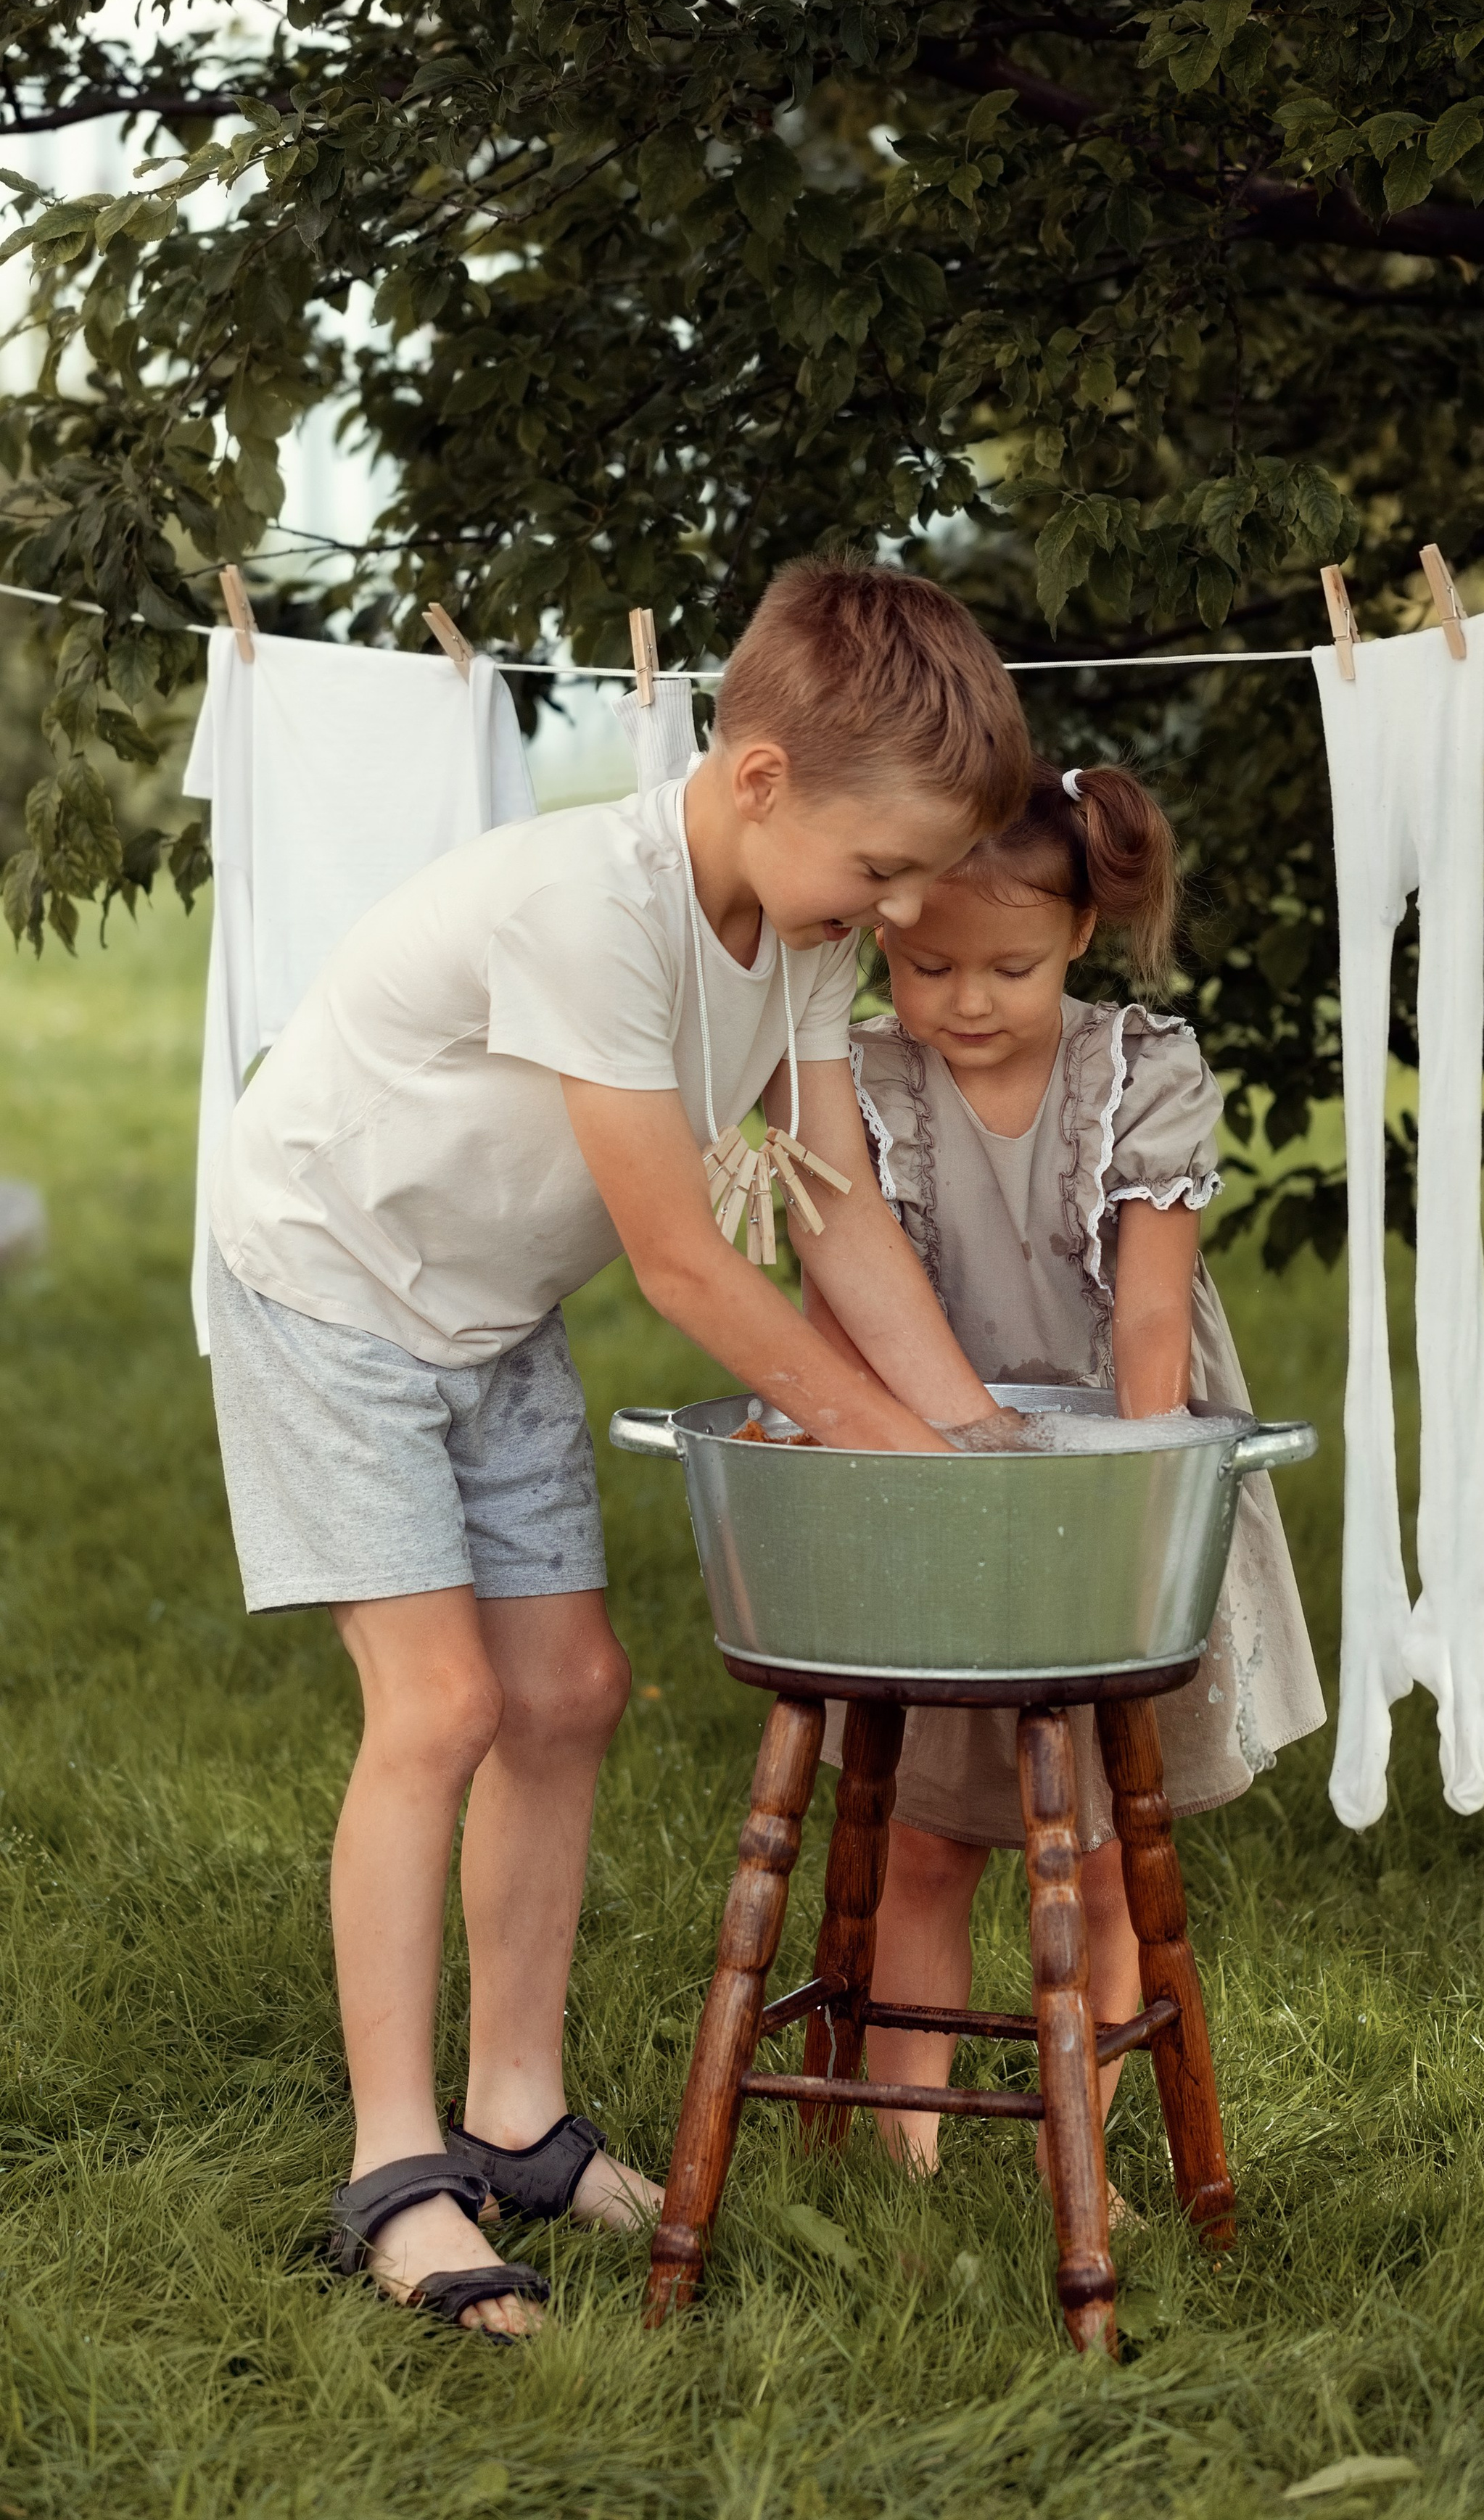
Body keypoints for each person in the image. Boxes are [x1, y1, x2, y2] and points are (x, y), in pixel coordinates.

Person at [203, 560, 1033, 2337]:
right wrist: (883, 1450)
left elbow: (836, 1221)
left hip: (487, 1304)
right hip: (327, 1276)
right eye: (880, 868)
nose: (893, 913)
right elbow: (680, 1261)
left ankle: (513, 2115)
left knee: (569, 1691)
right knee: (439, 1708)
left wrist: (969, 1434)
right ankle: (396, 2170)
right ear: (754, 781)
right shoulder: (593, 905)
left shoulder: (796, 939)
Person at [808, 759, 1325, 2174]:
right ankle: (902, 2158)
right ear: (882, 938)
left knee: (1094, 1846)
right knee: (926, 1838)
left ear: (1080, 938)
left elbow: (1149, 1313)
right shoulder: (861, 1077)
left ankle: (1072, 2148)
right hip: (932, 1484)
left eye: (1008, 967)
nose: (964, 1000)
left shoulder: (1140, 1075)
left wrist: (1125, 1506)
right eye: (926, 966)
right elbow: (838, 1299)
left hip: (1107, 1469)